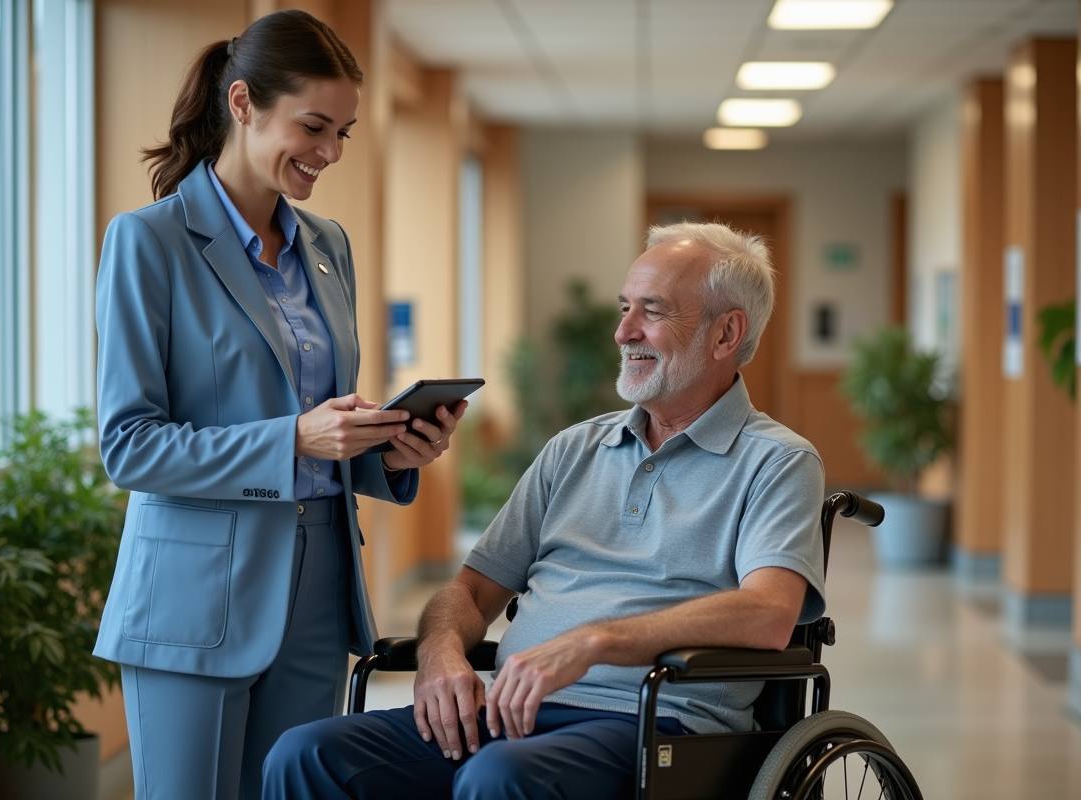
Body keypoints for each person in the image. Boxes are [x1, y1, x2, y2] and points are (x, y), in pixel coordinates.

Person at [261, 221, 827, 800]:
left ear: (726, 332)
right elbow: (473, 593)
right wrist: (439, 651)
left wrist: (593, 643)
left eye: (651, 312)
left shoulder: (778, 462)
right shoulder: (574, 449)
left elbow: (769, 612)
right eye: (624, 307)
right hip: (513, 713)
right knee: (306, 755)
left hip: (655, 725)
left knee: (499, 777)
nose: (623, 331)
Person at [92, 11, 465, 800]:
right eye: (314, 126)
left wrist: (390, 446)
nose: (329, 153)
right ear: (241, 104)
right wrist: (294, 438)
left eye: (345, 133)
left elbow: (322, 428)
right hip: (197, 595)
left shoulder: (328, 247)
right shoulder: (148, 243)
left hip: (320, 583)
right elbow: (130, 445)